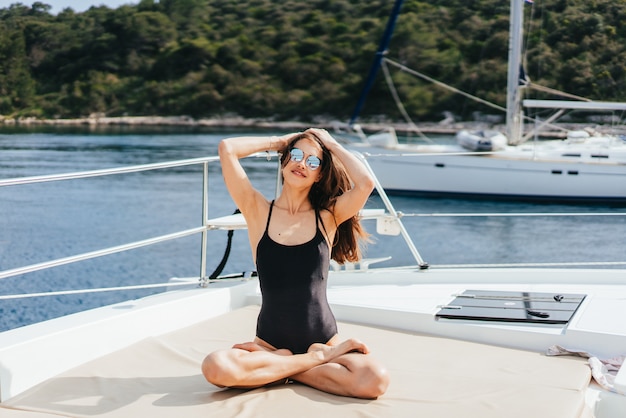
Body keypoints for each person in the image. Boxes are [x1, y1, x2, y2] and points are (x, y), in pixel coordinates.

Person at [201, 128, 389, 399]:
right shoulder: (258, 211)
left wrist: (332, 144)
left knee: (375, 380)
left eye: (312, 162)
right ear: (285, 159)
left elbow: (365, 184)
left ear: (320, 174)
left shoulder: (328, 217)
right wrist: (281, 142)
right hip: (270, 344)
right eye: (296, 155)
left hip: (322, 340)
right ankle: (310, 362)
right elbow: (227, 148)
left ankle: (281, 367)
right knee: (215, 367)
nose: (301, 163)